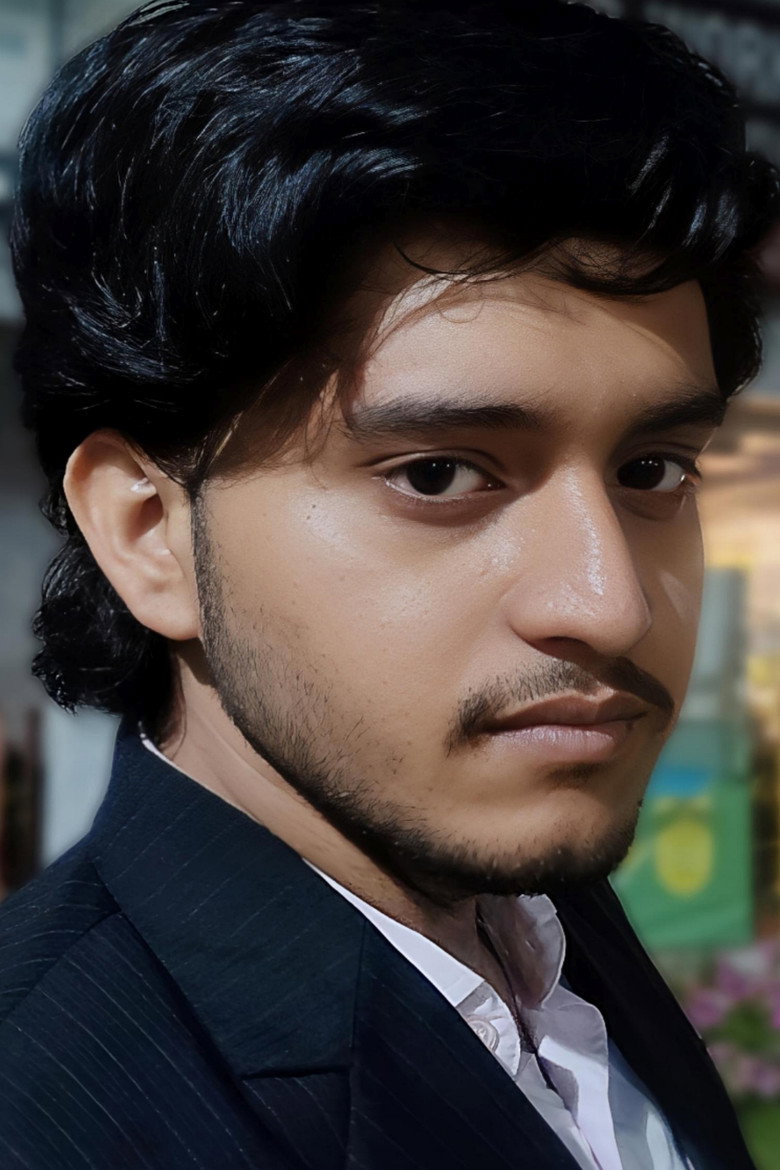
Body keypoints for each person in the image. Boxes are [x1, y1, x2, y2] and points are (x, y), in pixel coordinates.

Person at [1, 0, 777, 1166]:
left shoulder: (536, 919)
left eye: (652, 469)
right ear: (149, 532)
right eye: (438, 474)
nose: (609, 602)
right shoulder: (46, 1109)